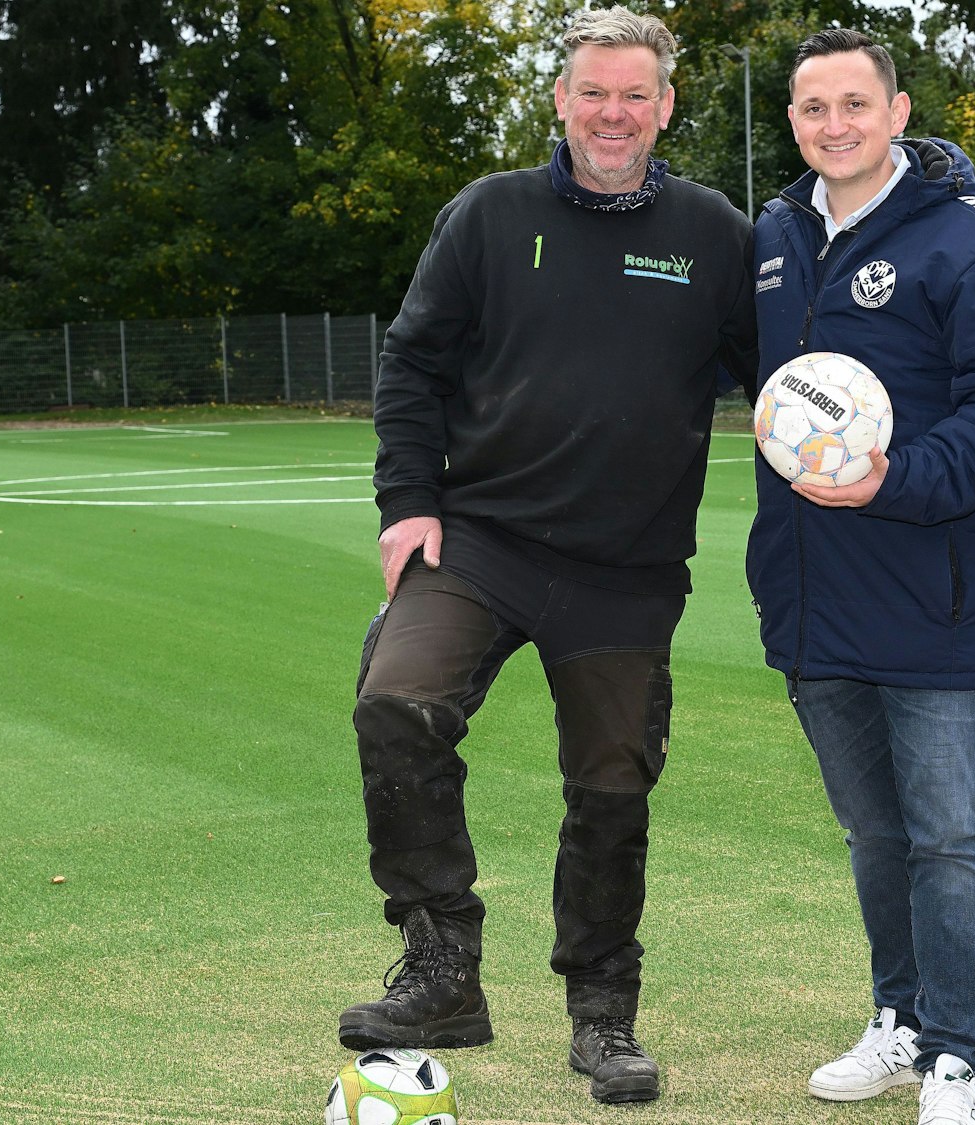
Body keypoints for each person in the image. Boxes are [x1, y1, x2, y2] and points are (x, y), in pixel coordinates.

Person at [338, 6, 756, 1106]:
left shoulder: (713, 232)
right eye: (592, 91)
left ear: (664, 107)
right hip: (481, 538)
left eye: (634, 94)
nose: (611, 113)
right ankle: (442, 966)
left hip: (625, 568)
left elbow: (782, 377)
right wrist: (405, 503)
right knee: (398, 702)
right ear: (559, 100)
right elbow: (412, 364)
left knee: (612, 786)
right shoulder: (488, 216)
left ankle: (602, 1015)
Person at [745, 28, 975, 1125]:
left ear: (896, 113)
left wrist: (894, 480)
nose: (831, 124)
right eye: (810, 108)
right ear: (790, 122)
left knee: (947, 837)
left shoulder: (974, 239)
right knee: (874, 836)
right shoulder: (776, 237)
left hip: (940, 595)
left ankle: (953, 1057)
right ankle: (896, 1020)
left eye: (853, 103)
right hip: (813, 598)